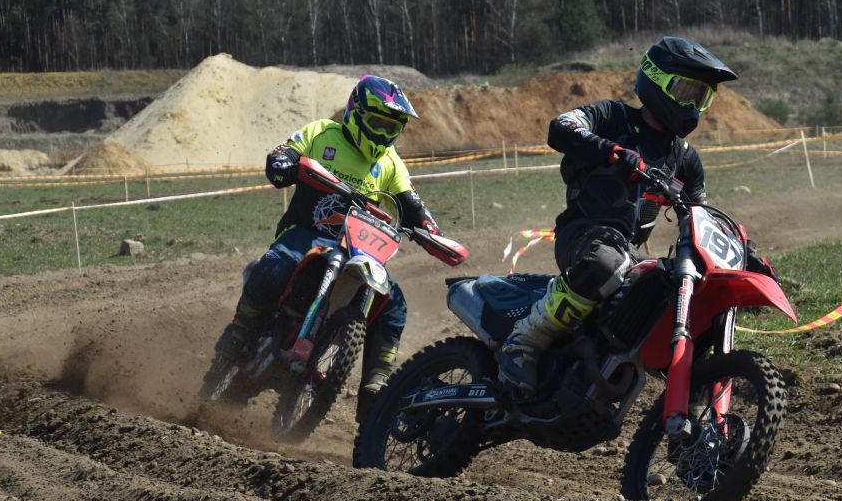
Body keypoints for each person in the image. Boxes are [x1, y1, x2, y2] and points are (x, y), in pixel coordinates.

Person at [497, 36, 776, 394]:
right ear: (656, 81)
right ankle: (524, 339)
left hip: (629, 252)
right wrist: (610, 150)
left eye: (701, 98)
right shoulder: (612, 117)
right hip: (582, 235)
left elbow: (701, 217)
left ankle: (690, 393)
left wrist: (746, 254)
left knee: (676, 290)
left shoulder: (684, 158)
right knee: (608, 262)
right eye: (686, 92)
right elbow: (561, 127)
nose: (692, 106)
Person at [207, 74, 441, 419]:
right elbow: (287, 151)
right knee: (273, 266)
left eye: (392, 128)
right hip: (306, 232)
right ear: (357, 114)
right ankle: (239, 333)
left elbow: (411, 203)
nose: (383, 134)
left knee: (394, 304)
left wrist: (430, 229)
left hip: (358, 250)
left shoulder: (390, 163)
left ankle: (376, 390)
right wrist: (283, 160)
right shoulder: (322, 133)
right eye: (378, 123)